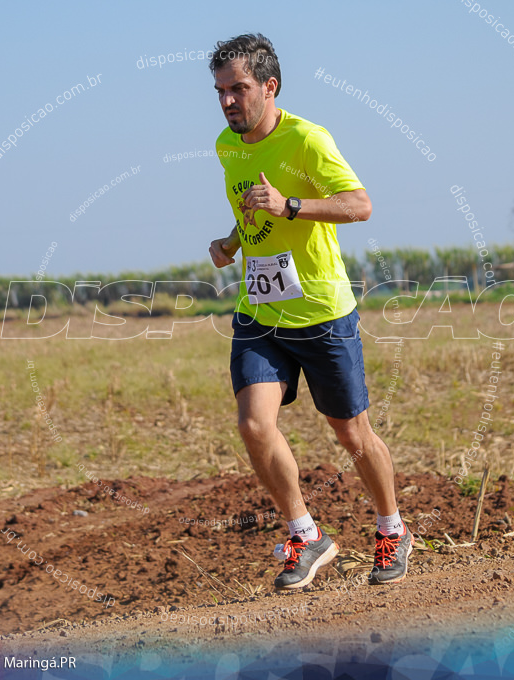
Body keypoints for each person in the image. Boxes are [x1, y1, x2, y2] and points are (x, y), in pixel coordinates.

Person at [206, 33, 409, 590]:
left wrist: (291, 203)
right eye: (220, 90)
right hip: (260, 312)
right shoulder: (228, 144)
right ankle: (305, 534)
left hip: (321, 313)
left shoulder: (307, 140)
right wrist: (231, 241)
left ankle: (391, 527)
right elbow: (257, 215)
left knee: (352, 436)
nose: (227, 101)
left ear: (270, 86)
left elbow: (359, 205)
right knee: (254, 424)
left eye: (238, 89)